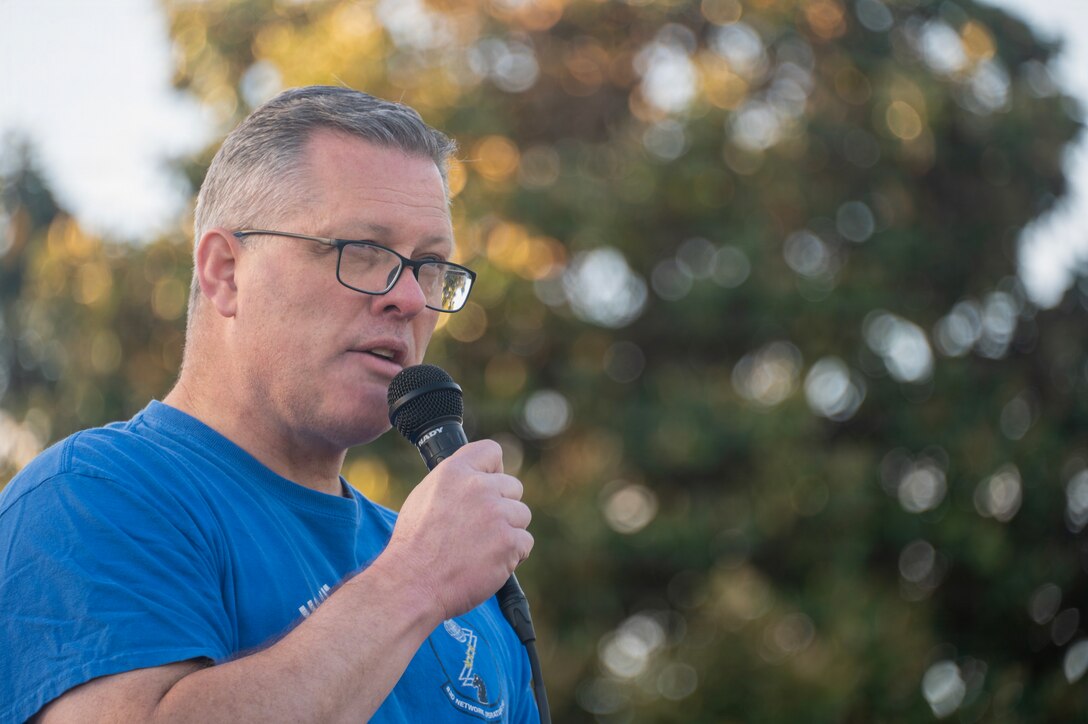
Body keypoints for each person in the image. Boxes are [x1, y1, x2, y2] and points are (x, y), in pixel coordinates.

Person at [0, 86, 539, 723]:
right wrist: (413, 583)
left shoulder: (469, 593)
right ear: (226, 271)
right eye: (363, 252)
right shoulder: (92, 495)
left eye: (429, 266)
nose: (413, 300)